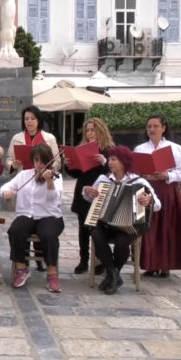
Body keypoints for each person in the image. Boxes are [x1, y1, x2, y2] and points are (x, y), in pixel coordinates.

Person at [82, 145, 161, 295]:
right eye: (109, 159)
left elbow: (158, 205)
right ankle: (114, 274)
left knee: (122, 241)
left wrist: (149, 200)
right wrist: (87, 191)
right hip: (105, 224)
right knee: (95, 233)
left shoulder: (139, 182)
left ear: (124, 161)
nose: (110, 162)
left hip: (128, 227)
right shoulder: (103, 179)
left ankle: (112, 274)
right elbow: (88, 197)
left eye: (114, 159)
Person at [0, 143, 64, 293]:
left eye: (42, 161)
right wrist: (6, 193)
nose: (39, 165)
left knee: (48, 234)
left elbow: (53, 199)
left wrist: (49, 181)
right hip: (27, 214)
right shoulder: (24, 175)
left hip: (50, 215)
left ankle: (52, 273)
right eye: (36, 161)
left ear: (48, 161)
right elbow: (5, 187)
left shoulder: (56, 176)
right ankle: (21, 268)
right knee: (15, 230)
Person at [134, 114, 181, 277]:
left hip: (167, 191)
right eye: (149, 126)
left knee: (167, 227)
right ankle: (150, 264)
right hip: (147, 189)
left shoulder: (175, 148)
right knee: (149, 228)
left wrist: (167, 175)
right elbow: (134, 171)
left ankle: (166, 264)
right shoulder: (140, 149)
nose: (152, 129)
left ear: (163, 128)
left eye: (155, 126)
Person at [65, 117, 114, 275]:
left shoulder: (109, 149)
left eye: (93, 130)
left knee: (98, 226)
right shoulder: (82, 148)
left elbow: (115, 171)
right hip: (83, 190)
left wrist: (104, 162)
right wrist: (68, 165)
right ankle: (83, 260)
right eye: (88, 130)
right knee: (83, 228)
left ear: (101, 131)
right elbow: (76, 173)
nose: (90, 133)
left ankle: (100, 259)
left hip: (102, 191)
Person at [6, 105, 61, 173]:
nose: (29, 121)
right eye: (26, 119)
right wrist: (12, 165)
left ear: (38, 120)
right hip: (24, 177)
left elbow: (57, 161)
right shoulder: (16, 138)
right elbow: (9, 160)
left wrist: (50, 170)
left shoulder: (50, 138)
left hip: (44, 177)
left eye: (33, 118)